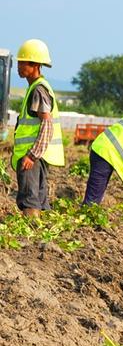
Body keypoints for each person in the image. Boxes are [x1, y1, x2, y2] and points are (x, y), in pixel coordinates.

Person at [11, 39, 65, 216]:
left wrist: (32, 155)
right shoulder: (35, 88)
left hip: (32, 156)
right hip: (36, 155)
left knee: (30, 199)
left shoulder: (38, 90)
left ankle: (31, 228)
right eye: (19, 63)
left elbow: (47, 125)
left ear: (35, 65)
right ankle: (42, 229)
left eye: (23, 63)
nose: (19, 67)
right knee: (39, 198)